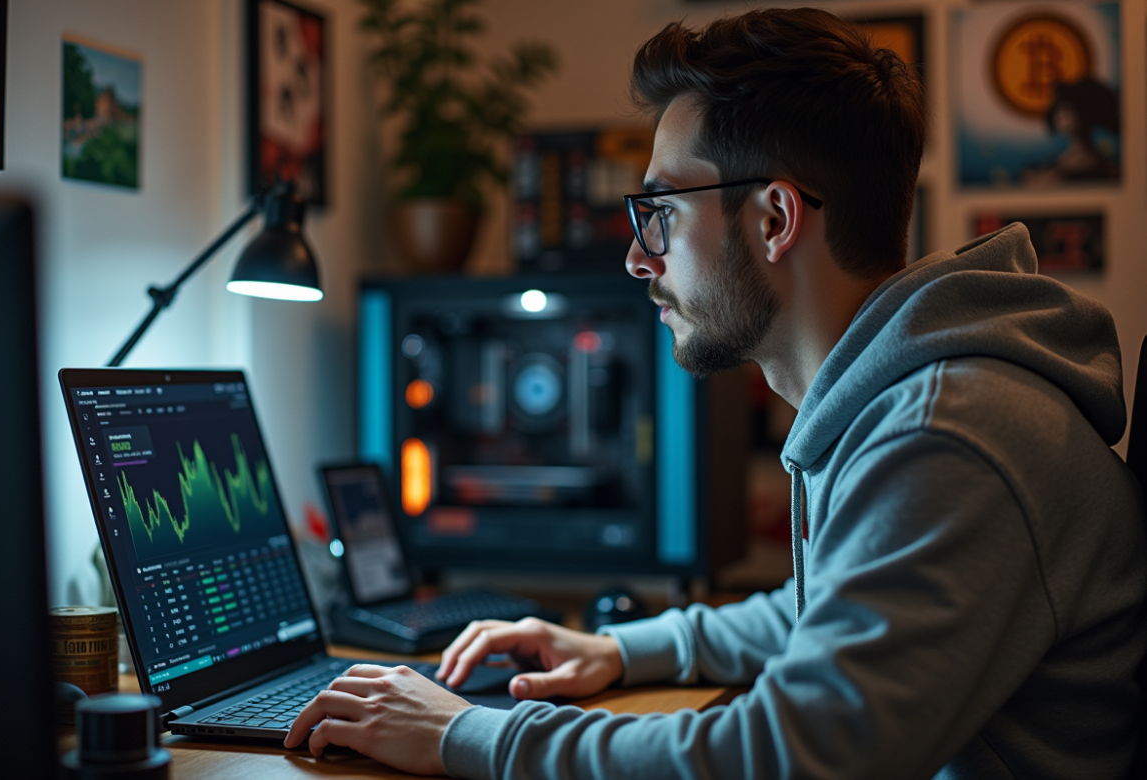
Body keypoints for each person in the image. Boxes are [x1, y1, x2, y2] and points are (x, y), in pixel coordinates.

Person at [285, 8, 1147, 778]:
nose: (636, 257)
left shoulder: (950, 432)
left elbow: (792, 753)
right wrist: (618, 649)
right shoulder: (910, 401)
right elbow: (827, 611)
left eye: (659, 211)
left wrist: (467, 735)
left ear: (774, 219)